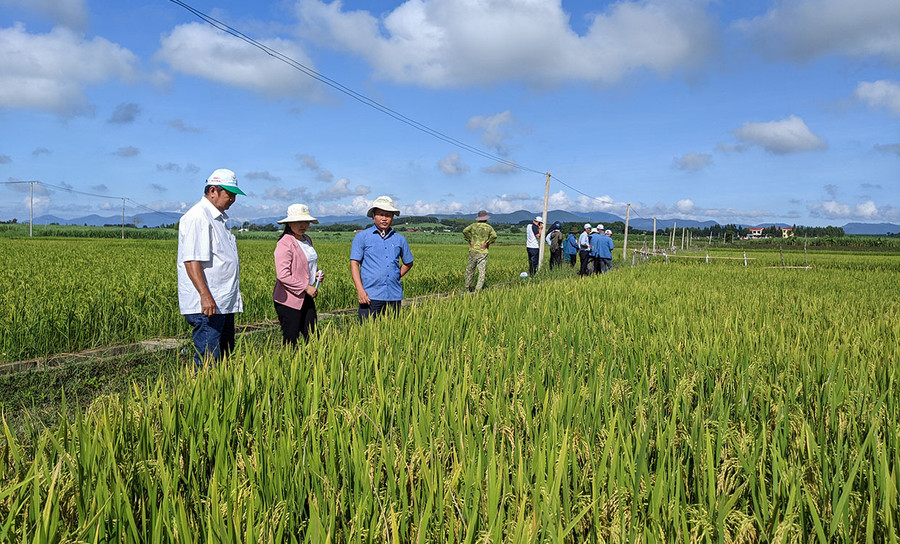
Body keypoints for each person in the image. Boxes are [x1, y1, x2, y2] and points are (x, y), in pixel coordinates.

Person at [177, 168, 245, 367]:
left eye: (234, 195)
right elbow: (191, 260)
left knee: (224, 357)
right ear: (213, 190)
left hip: (222, 301)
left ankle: (220, 396)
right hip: (209, 305)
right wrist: (205, 295)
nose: (232, 199)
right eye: (229, 194)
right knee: (208, 362)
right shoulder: (198, 217)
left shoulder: (218, 219)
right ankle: (204, 396)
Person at [350, 195, 414, 322]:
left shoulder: (399, 239)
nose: (384, 218)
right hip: (369, 296)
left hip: (393, 295)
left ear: (393, 218)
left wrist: (395, 275)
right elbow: (354, 264)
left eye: (388, 215)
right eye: (380, 214)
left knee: (392, 333)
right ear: (373, 215)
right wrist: (360, 290)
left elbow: (408, 263)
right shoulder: (362, 237)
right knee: (368, 334)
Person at [273, 203, 324, 346]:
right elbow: (283, 275)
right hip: (288, 299)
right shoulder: (285, 243)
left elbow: (306, 266)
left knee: (312, 335)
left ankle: (313, 365)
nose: (303, 225)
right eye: (298, 222)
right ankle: (289, 366)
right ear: (289, 223)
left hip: (306, 296)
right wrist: (306, 287)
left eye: (306, 222)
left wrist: (316, 274)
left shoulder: (307, 239)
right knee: (291, 338)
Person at [462, 210, 497, 292]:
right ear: (486, 218)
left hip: (473, 250)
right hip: (483, 251)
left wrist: (469, 240)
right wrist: (487, 243)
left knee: (470, 269)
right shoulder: (488, 227)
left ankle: (467, 287)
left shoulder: (473, 226)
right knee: (482, 271)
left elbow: (464, 231)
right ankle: (478, 288)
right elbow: (494, 236)